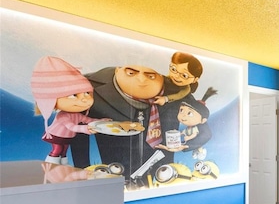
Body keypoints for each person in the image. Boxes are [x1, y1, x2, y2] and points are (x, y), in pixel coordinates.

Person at [70, 64, 201, 181]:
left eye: (150, 75)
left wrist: (187, 145)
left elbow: (202, 124)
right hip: (115, 171)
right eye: (131, 73)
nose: (141, 80)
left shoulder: (177, 92)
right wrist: (82, 170)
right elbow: (76, 132)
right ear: (118, 69)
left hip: (163, 175)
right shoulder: (90, 87)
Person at [30, 56, 109, 165]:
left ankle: (63, 167)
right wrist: (86, 129)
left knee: (63, 152)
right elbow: (71, 127)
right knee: (57, 150)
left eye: (87, 93)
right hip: (56, 136)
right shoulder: (63, 116)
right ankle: (50, 167)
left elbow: (86, 119)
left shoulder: (76, 115)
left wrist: (100, 121)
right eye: (73, 95)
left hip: (67, 137)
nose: (85, 99)